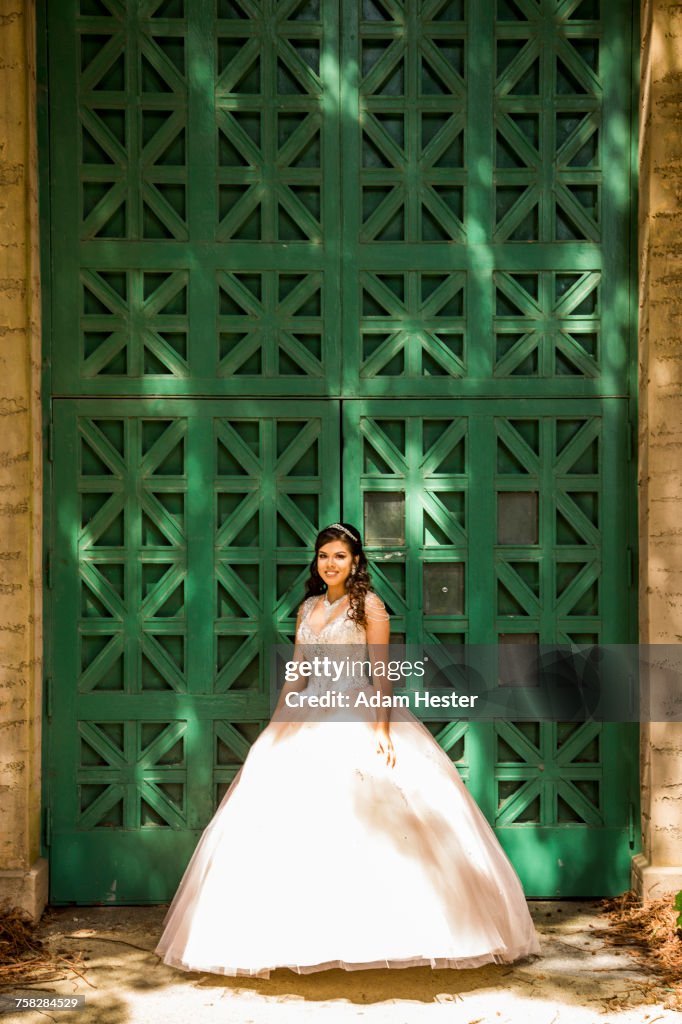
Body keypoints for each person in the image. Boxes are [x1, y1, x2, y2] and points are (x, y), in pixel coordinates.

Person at [154, 522, 541, 977]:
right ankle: (294, 937)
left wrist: (381, 729)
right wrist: (278, 723)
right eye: (323, 555)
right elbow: (297, 673)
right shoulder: (308, 608)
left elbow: (381, 674)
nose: (330, 563)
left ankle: (388, 932)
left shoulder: (369, 607)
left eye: (339, 555)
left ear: (355, 562)